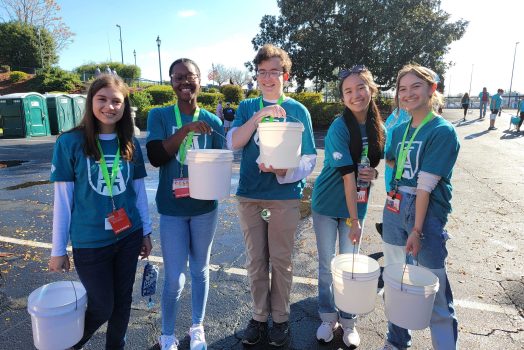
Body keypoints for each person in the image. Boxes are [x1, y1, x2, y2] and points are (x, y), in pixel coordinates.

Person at [48, 73, 153, 350]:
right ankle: (67, 344)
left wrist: (147, 231)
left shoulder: (129, 142)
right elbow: (63, 199)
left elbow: (138, 192)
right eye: (102, 99)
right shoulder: (70, 143)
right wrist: (58, 249)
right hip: (91, 242)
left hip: (128, 236)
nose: (110, 107)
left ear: (124, 105)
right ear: (91, 102)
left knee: (123, 302)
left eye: (116, 101)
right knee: (103, 306)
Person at [227, 44, 316, 347]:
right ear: (256, 75)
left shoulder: (298, 110)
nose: (267, 78)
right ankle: (258, 316)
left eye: (274, 71)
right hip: (250, 195)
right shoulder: (247, 107)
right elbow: (234, 143)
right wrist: (259, 116)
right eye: (262, 72)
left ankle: (280, 318)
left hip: (283, 197)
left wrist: (284, 172)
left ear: (285, 75)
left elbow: (310, 158)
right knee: (256, 260)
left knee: (280, 260)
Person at [379, 64, 460, 350]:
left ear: (431, 89)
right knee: (396, 282)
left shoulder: (442, 131)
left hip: (424, 213)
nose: (408, 93)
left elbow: (425, 187)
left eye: (415, 86)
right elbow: (389, 159)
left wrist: (416, 229)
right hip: (394, 205)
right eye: (402, 89)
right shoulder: (400, 129)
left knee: (433, 288)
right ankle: (396, 341)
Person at [146, 58, 224, 350]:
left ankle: (197, 327)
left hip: (204, 209)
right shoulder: (160, 116)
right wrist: (185, 130)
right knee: (175, 278)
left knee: (200, 271)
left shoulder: (213, 122)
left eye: (189, 76)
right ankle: (167, 334)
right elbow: (156, 156)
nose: (184, 82)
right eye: (178, 77)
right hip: (172, 209)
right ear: (171, 83)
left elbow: (220, 162)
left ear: (199, 80)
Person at [311, 65, 385, 348]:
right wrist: (354, 221)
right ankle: (328, 317)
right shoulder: (339, 127)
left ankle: (349, 320)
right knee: (328, 266)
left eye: (360, 88)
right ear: (342, 97)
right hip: (328, 205)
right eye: (348, 91)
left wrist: (375, 174)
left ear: (371, 90)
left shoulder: (380, 127)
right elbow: (346, 177)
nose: (355, 95)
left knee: (350, 266)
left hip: (358, 206)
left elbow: (378, 166)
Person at [375, 107, 411, 236]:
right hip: (396, 177)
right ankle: (388, 229)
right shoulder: (399, 114)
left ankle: (388, 229)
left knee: (398, 212)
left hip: (398, 178)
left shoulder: (397, 114)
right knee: (397, 213)